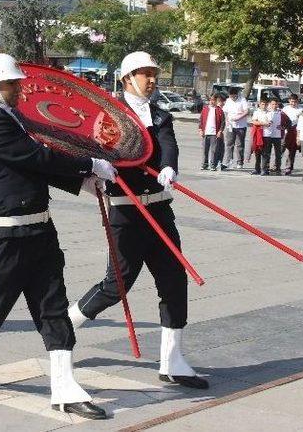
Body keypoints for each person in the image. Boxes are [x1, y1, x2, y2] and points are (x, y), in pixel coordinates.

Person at [0, 53, 116, 420]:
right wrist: (88, 164)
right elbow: (37, 157)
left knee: (54, 307)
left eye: (17, 82)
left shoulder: (13, 117)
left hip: (40, 229)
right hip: (8, 236)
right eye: (10, 84)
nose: (19, 88)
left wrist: (83, 183)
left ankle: (64, 387)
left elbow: (36, 167)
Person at [68, 51, 209, 391]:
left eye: (153, 73)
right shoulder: (109, 116)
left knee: (175, 280)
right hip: (126, 212)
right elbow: (93, 152)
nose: (152, 79)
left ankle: (172, 361)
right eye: (145, 73)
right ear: (127, 78)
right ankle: (64, 328)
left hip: (159, 208)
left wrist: (169, 167)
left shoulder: (160, 115)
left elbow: (168, 145)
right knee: (117, 286)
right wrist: (96, 168)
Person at [222, 87, 249, 169]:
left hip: (241, 126)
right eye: (231, 96)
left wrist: (239, 117)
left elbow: (246, 111)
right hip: (230, 126)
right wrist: (227, 121)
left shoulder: (242, 100)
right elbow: (225, 112)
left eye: (234, 96)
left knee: (239, 144)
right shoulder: (228, 101)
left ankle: (240, 162)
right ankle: (228, 161)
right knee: (229, 144)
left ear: (237, 94)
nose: (233, 98)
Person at [198, 93, 225, 171]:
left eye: (213, 100)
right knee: (205, 150)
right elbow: (201, 120)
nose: (211, 102)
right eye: (210, 100)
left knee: (214, 150)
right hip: (206, 132)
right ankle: (204, 164)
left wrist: (220, 131)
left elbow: (223, 122)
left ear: (216, 101)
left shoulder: (219, 110)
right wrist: (200, 129)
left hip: (214, 133)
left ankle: (213, 164)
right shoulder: (205, 109)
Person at [281, 93, 303, 175]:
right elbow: (282, 120)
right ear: (289, 101)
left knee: (292, 151)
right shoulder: (285, 109)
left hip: (295, 132)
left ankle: (288, 167)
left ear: (297, 101)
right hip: (286, 132)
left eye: (295, 102)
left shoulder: (301, 110)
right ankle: (276, 166)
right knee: (281, 149)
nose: (293, 103)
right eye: (292, 101)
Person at [250, 99, 270, 176]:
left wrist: (261, 123)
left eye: (265, 104)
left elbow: (270, 122)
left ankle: (264, 169)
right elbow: (254, 122)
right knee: (257, 152)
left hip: (267, 134)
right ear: (259, 104)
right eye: (262, 104)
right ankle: (257, 169)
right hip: (258, 134)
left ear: (267, 105)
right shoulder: (256, 112)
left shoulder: (269, 113)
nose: (263, 106)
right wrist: (263, 123)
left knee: (265, 153)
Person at [263, 98, 283, 175]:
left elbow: (288, 122)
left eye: (276, 104)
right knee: (267, 152)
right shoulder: (266, 112)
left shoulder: (280, 113)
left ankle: (278, 169)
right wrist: (266, 123)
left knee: (278, 153)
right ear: (270, 104)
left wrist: (283, 127)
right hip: (268, 135)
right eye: (273, 104)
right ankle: (266, 168)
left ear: (278, 105)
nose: (274, 106)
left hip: (277, 136)